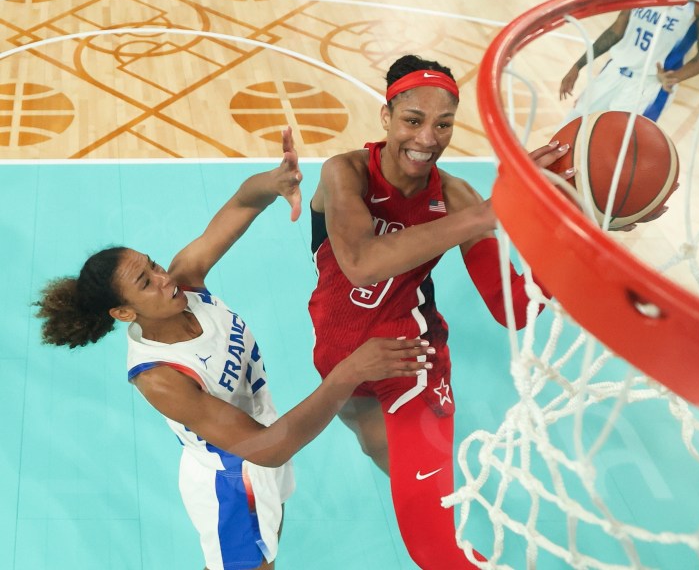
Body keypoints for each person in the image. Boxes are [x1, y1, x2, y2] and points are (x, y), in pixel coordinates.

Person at [33, 128, 434, 570]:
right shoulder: (161, 375)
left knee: (269, 551)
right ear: (124, 313)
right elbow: (265, 448)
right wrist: (350, 371)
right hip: (233, 474)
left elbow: (242, 204)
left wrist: (274, 181)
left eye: (154, 265)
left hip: (266, 439)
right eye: (146, 282)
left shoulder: (186, 280)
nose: (164, 278)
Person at [307, 55, 569, 568]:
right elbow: (360, 264)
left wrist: (568, 233)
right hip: (338, 355)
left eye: (444, 124)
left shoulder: (456, 198)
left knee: (433, 547)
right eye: (413, 120)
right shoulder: (345, 174)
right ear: (386, 117)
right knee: (378, 452)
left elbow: (514, 307)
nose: (428, 138)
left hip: (413, 362)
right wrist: (486, 214)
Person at [558, 0, 699, 124]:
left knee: (612, 150)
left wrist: (675, 77)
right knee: (569, 129)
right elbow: (618, 27)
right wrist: (578, 65)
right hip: (613, 70)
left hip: (648, 86)